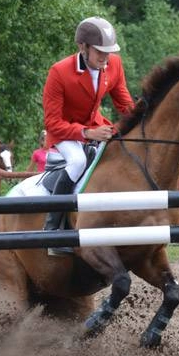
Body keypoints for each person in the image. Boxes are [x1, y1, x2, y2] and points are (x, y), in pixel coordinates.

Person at [41, 16, 134, 254]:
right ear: (83, 47)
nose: (105, 58)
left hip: (96, 127)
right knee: (77, 161)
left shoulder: (114, 64)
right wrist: (87, 133)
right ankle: (52, 232)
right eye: (100, 52)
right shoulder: (59, 72)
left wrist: (142, 119)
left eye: (108, 52)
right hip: (64, 133)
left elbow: (124, 104)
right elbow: (52, 122)